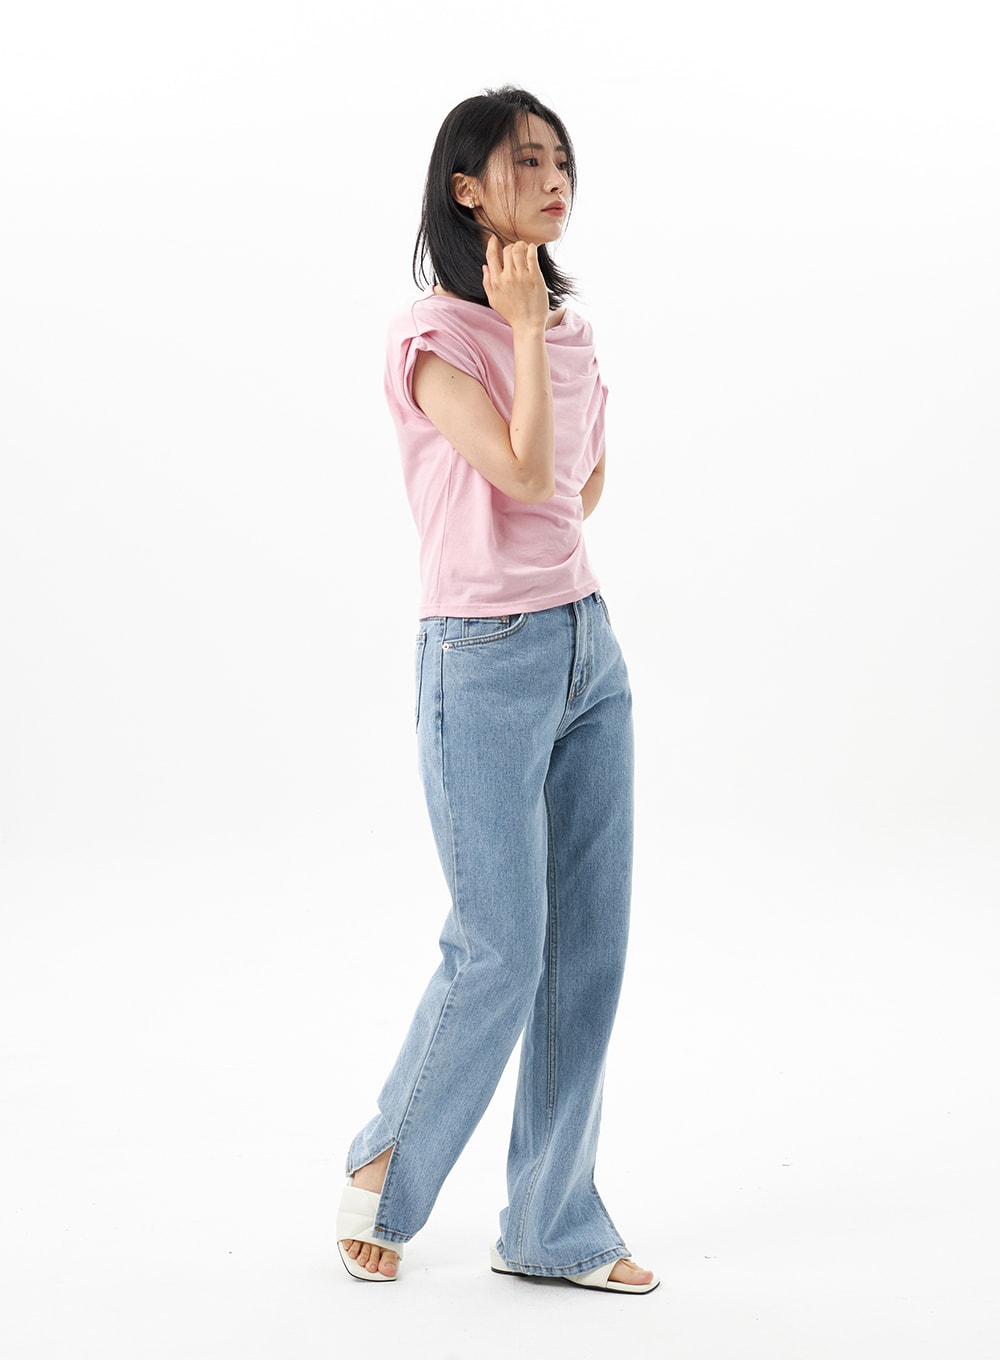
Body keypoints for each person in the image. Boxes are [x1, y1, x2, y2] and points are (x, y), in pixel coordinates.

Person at [337, 85, 658, 1295]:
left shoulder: (569, 331)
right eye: (526, 162)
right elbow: (527, 474)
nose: (553, 176)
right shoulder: (433, 338)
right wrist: (520, 331)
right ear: (466, 189)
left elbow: (583, 486)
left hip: (587, 648)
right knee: (499, 947)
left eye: (560, 158)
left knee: (587, 949)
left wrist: (543, 334)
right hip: (480, 659)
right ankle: (386, 1166)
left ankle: (551, 1225)